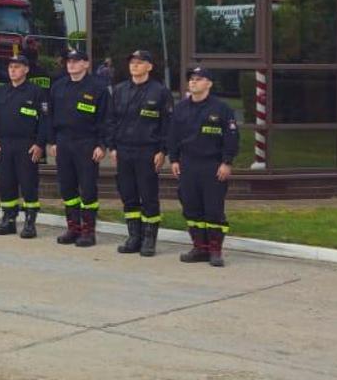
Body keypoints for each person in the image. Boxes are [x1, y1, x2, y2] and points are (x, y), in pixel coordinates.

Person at [102, 50, 171, 258]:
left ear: (149, 66)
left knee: (148, 195)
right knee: (128, 194)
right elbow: (111, 120)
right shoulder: (120, 90)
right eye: (132, 62)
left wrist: (162, 150)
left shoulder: (160, 92)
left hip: (147, 151)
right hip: (123, 150)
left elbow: (166, 125)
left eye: (140, 63)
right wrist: (112, 147)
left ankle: (149, 239)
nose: (134, 66)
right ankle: (134, 237)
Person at [170, 67, 239, 267]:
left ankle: (215, 250)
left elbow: (231, 137)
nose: (193, 82)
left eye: (198, 79)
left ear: (208, 83)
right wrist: (174, 159)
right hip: (188, 165)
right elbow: (173, 135)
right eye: (191, 79)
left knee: (213, 209)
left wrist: (227, 162)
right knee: (191, 207)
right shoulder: (181, 108)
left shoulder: (221, 109)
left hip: (212, 165)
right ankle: (200, 247)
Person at [47, 48, 108, 247]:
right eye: (69, 61)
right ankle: (73, 228)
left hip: (87, 143)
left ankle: (88, 231)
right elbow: (51, 117)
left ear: (86, 64)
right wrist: (53, 141)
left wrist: (101, 144)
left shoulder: (98, 88)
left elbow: (105, 119)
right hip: (64, 142)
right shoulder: (58, 87)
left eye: (76, 61)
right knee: (67, 187)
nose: (71, 64)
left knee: (88, 188)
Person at [0, 55, 49, 238]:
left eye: (17, 67)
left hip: (27, 145)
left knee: (28, 184)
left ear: (26, 69)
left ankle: (30, 223)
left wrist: (39, 144)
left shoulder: (36, 92)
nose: (12, 70)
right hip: (4, 144)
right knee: (6, 183)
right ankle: (9, 220)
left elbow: (45, 120)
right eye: (10, 67)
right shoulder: (1, 91)